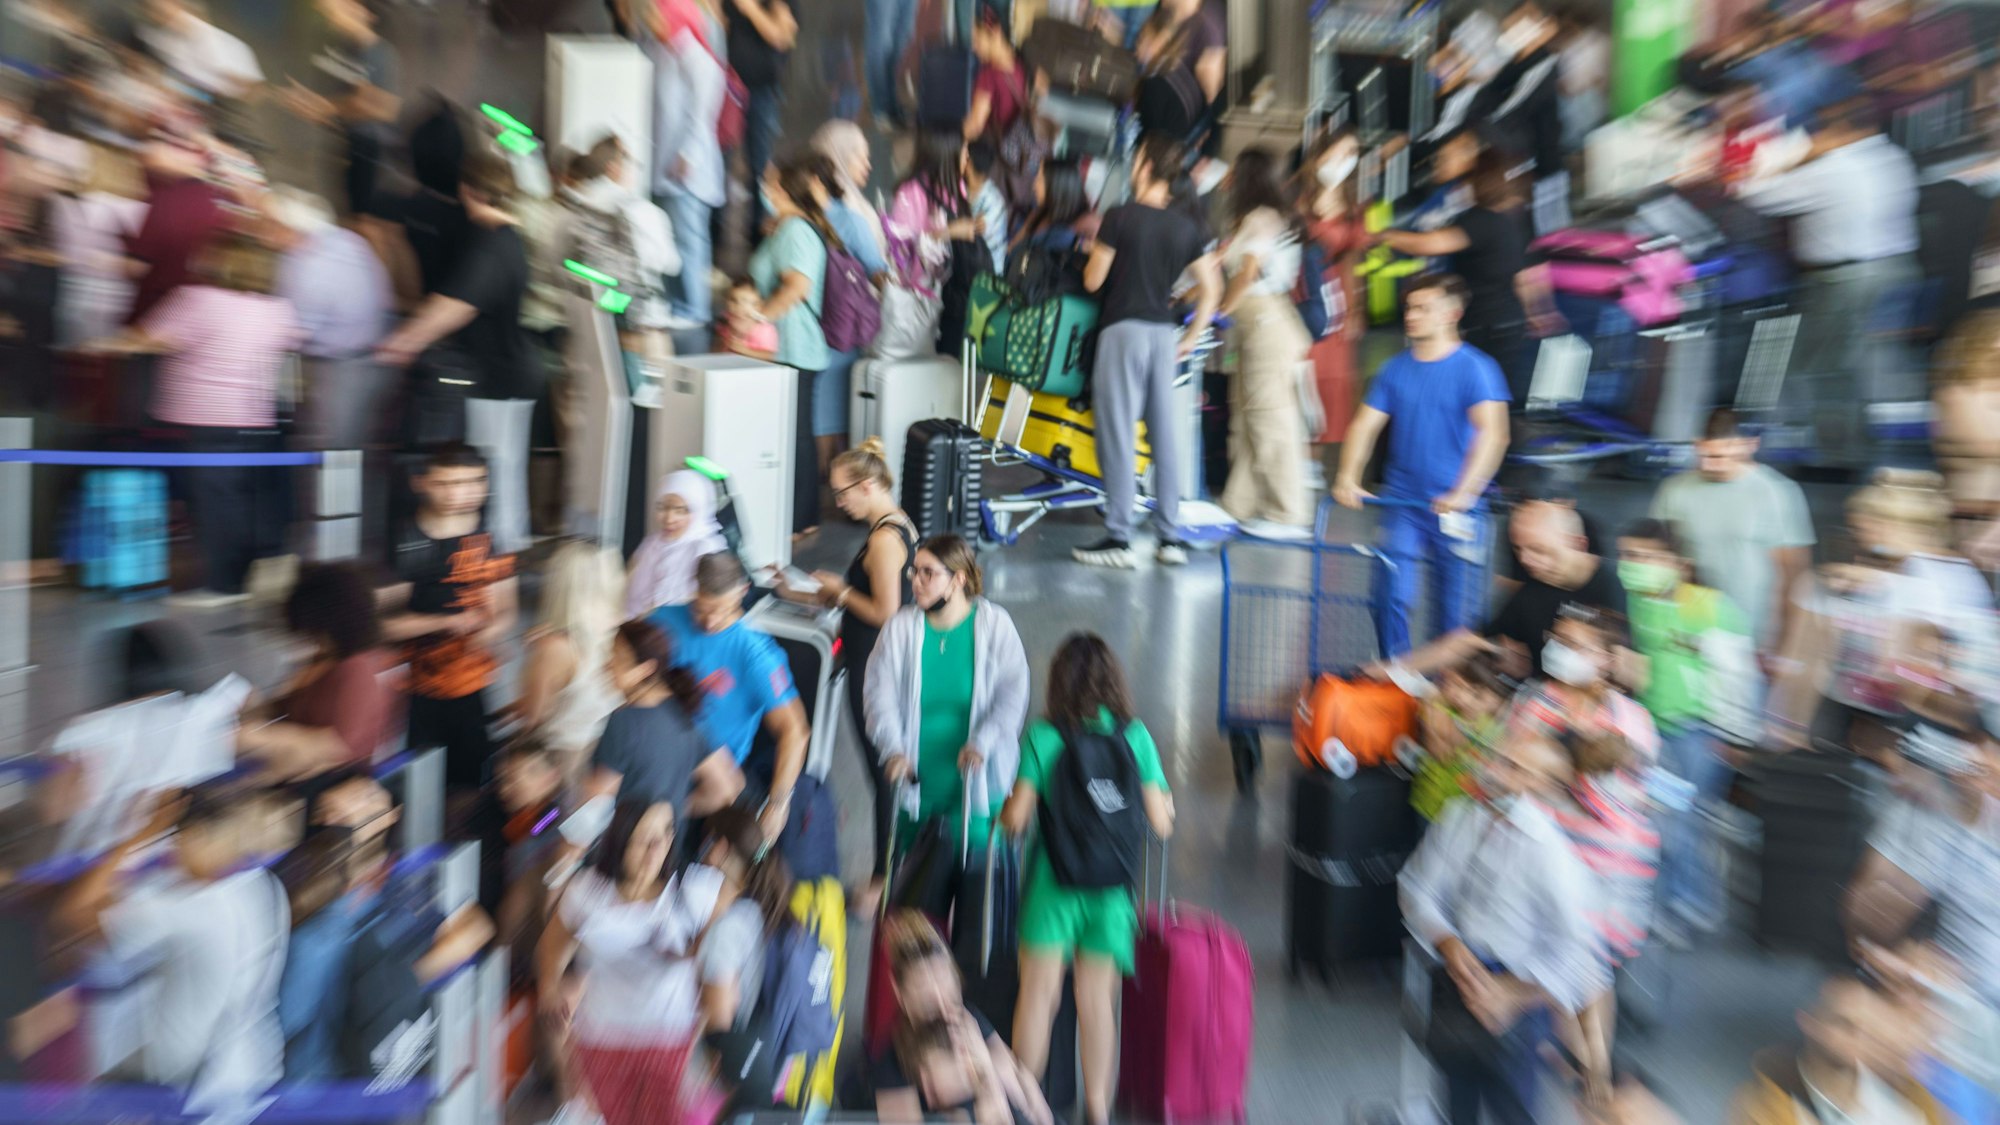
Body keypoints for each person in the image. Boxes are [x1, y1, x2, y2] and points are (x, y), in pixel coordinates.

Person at [1399, 719, 1611, 1124]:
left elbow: (1581, 955)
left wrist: (1513, 995)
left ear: (1544, 787)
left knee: (1512, 1105)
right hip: (1456, 979)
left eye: (1515, 768)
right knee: (1455, 1095)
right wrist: (1448, 943)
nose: (1494, 770)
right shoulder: (1460, 817)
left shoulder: (1552, 856)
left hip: (1516, 996)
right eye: (1498, 758)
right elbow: (1416, 886)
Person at [1002, 633, 1176, 1125]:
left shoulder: (1045, 735)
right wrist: (1164, 803)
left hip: (1052, 887)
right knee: (1096, 1002)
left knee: (1039, 996)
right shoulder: (1134, 736)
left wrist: (1003, 815)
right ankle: (1097, 1110)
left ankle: (1023, 1105)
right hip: (1111, 893)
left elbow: (1016, 819)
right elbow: (1160, 824)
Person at [52, 778, 290, 1111]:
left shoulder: (189, 911)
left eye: (177, 838)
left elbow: (71, 914)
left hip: (180, 1094)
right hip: (246, 1077)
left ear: (200, 836)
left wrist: (143, 833)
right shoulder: (263, 886)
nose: (172, 849)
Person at [108, 228, 302, 608]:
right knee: (241, 502)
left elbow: (147, 339)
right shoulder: (278, 309)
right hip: (256, 420)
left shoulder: (196, 299)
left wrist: (107, 340)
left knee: (213, 504)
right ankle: (241, 578)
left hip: (204, 419)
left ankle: (223, 586)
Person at [377, 152, 544, 555]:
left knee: (491, 471)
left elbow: (456, 304)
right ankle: (504, 548)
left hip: (498, 378)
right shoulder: (508, 240)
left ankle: (497, 556)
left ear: (468, 191)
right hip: (511, 372)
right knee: (503, 470)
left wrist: (403, 340)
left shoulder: (491, 245)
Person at [1335, 274, 1511, 657]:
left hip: (1458, 509)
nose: (1412, 315)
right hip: (1404, 504)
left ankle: (1447, 696)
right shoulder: (1394, 369)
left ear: (1452, 313)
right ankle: (1397, 678)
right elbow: (1364, 425)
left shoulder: (1476, 369)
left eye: (1423, 308)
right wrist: (1347, 476)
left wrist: (1464, 494)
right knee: (1388, 595)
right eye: (1410, 307)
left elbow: (1494, 435)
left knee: (1454, 615)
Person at [1073, 133, 1222, 569]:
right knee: (1165, 437)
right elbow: (1211, 288)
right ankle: (1168, 537)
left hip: (1123, 332)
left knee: (1118, 432)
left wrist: (1092, 253)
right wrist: (1192, 336)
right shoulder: (1185, 227)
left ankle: (1119, 535)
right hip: (1164, 335)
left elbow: (1093, 281)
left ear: (1144, 167)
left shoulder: (1120, 216)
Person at [776, 439, 914, 910]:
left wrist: (837, 592)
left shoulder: (883, 540)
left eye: (843, 493)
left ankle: (884, 879)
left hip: (876, 670)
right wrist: (795, 592)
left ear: (869, 485)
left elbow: (886, 610)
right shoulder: (894, 527)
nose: (840, 503)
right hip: (868, 661)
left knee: (883, 774)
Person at [1736, 95, 1919, 448]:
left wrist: (1797, 154)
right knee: (1871, 363)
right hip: (1895, 269)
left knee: (1825, 368)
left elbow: (1757, 194)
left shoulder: (1836, 165)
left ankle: (1840, 453)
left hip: (1846, 279)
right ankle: (1871, 447)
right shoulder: (1893, 157)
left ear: (1839, 127)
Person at [537, 800, 723, 1125]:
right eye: (643, 840)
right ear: (620, 840)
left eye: (664, 836)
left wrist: (711, 1031)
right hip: (601, 1043)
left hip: (671, 1044)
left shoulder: (693, 891)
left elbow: (727, 945)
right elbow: (551, 945)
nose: (656, 850)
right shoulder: (587, 893)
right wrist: (550, 989)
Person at [1616, 519, 1756, 936]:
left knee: (1681, 820)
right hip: (1649, 731)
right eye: (1628, 556)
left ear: (1676, 562)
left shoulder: (1707, 606)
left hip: (1695, 734)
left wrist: (1735, 735)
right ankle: (1675, 899)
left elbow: (1738, 676)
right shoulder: (1634, 602)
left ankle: (1688, 901)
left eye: (1644, 557)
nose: (1633, 565)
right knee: (1664, 817)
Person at [865, 534, 1030, 852]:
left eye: (929, 573)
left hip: (977, 786)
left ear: (958, 579)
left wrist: (983, 742)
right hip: (917, 788)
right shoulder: (899, 630)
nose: (916, 582)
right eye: (914, 571)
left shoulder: (995, 626)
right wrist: (893, 749)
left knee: (975, 886)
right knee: (915, 893)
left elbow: (1012, 695)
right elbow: (877, 696)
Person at [380, 442, 520, 791]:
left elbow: (507, 610)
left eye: (473, 482)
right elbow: (382, 624)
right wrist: (446, 623)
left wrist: (489, 633)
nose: (461, 493)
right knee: (419, 779)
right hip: (417, 687)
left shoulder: (492, 538)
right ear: (423, 483)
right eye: (447, 483)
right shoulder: (403, 541)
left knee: (471, 780)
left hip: (472, 684)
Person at [652, 553, 812, 846]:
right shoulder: (662, 621)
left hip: (710, 786)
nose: (710, 621)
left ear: (742, 592)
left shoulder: (757, 655)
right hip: (660, 761)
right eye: (701, 610)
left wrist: (778, 804)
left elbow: (795, 731)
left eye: (721, 610)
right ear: (694, 588)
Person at [1373, 151, 1555, 404]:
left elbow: (1428, 244)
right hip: (1508, 324)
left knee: (1475, 401)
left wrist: (1380, 236)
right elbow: (1523, 276)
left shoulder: (1480, 221)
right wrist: (1536, 312)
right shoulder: (1512, 221)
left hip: (1485, 326)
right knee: (1495, 400)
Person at [1648, 408, 1817, 653]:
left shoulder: (1777, 492)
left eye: (1722, 457)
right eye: (1706, 455)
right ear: (1698, 444)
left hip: (1751, 636)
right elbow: (1656, 556)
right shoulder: (1674, 489)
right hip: (1686, 630)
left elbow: (1795, 574)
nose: (1712, 465)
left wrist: (1783, 643)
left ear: (1749, 446)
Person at [872, 911, 1053, 1125]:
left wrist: (989, 1077)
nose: (942, 1006)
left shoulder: (968, 1018)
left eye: (948, 991)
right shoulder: (891, 1063)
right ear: (900, 994)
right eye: (926, 997)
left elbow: (1024, 1087)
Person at [1215, 148, 1314, 536]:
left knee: (1270, 418)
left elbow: (1247, 274)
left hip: (1267, 324)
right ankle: (1240, 503)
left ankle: (1288, 513)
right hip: (1257, 326)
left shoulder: (1262, 218)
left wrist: (1218, 311)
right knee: (1246, 417)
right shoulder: (1253, 220)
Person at [236, 562, 400, 777]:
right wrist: (259, 710)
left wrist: (262, 737)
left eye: (315, 632)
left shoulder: (357, 669)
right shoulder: (324, 659)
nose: (311, 640)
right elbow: (289, 705)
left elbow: (338, 745)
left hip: (330, 783)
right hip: (292, 771)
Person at [267, 186, 395, 454]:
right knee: (348, 444)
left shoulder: (309, 268)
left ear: (290, 228)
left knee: (333, 449)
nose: (264, 231)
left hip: (342, 364)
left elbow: (293, 333)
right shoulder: (344, 239)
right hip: (371, 351)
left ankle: (337, 496)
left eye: (270, 224)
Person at [749, 155, 833, 539]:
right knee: (792, 431)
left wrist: (759, 317)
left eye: (770, 179)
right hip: (785, 349)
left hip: (795, 347)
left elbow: (797, 287)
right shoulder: (786, 227)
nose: (764, 185)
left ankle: (801, 519)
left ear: (782, 188)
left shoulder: (796, 230)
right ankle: (797, 516)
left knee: (797, 434)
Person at [582, 619, 744, 818]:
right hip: (667, 844)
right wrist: (671, 813)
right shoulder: (687, 715)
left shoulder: (624, 722)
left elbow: (594, 805)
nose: (607, 666)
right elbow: (726, 789)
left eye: (616, 658)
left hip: (624, 844)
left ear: (645, 669)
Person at [1729, 977, 1946, 1124]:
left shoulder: (1907, 1099)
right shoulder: (1761, 1106)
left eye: (1867, 1028)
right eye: (1844, 1024)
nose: (1858, 1038)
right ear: (1809, 1022)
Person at [642, 0, 727, 328]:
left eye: (655, 13)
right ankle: (677, 303)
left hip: (688, 168)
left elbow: (703, 114)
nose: (651, 20)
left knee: (689, 238)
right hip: (663, 162)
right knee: (669, 238)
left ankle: (694, 308)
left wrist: (689, 154)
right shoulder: (659, 51)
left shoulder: (694, 55)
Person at [808, 127, 888, 470]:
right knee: (831, 408)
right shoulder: (851, 214)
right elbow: (878, 271)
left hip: (823, 325)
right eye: (859, 154)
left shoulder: (809, 212)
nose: (867, 163)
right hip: (840, 329)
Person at [512, 540, 627, 772]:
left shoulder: (555, 648)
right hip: (602, 757)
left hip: (557, 763)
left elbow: (533, 717)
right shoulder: (619, 634)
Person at [1298, 126, 1368, 448]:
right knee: (1301, 384)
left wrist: (1355, 309)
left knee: (1330, 391)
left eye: (1351, 154)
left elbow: (1353, 265)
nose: (1344, 160)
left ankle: (1317, 470)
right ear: (1319, 155)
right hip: (1301, 301)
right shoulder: (1298, 199)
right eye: (1338, 152)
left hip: (1335, 305)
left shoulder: (1354, 206)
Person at [882, 130, 976, 360]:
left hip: (957, 299)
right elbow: (902, 253)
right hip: (924, 305)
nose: (967, 158)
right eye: (963, 151)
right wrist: (948, 232)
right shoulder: (910, 192)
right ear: (947, 155)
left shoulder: (957, 189)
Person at [1483, 0, 1568, 234]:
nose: (1516, 28)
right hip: (1518, 172)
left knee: (1550, 241)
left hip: (1542, 170)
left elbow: (1507, 111)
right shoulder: (1512, 66)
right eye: (1514, 23)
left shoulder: (1543, 65)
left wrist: (1475, 115)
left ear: (1545, 27)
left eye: (1525, 21)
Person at [728, 0, 797, 240]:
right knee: (721, 161)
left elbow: (781, 37)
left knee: (760, 166)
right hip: (726, 87)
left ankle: (759, 235)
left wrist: (751, 9)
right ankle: (716, 236)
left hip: (761, 91)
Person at [626, 470, 729, 617]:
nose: (669, 518)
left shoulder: (707, 550)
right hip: (639, 629)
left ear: (699, 510)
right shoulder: (652, 544)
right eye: (663, 507)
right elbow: (630, 594)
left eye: (680, 510)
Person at [965, 12, 1028, 152]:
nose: (974, 48)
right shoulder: (1020, 63)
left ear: (995, 31)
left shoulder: (988, 77)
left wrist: (959, 132)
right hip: (1013, 145)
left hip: (991, 148)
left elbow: (975, 126)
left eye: (977, 39)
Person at [963, 140, 1010, 274]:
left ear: (968, 163)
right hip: (973, 258)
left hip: (986, 270)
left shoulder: (994, 202)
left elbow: (968, 233)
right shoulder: (965, 187)